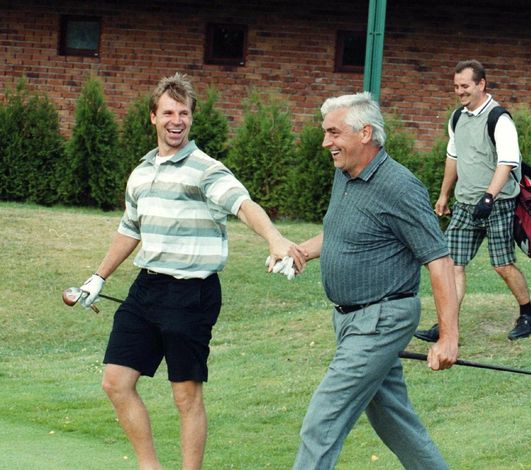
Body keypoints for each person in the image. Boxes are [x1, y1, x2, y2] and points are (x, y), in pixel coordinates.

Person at [77, 73, 302, 470]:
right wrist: (99, 277)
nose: (176, 120)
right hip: (146, 289)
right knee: (115, 381)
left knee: (185, 395)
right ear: (153, 117)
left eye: (183, 113)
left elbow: (241, 203)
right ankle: (151, 466)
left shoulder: (205, 169)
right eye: (168, 112)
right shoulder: (142, 173)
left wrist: (274, 238)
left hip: (192, 294)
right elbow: (130, 230)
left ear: (192, 118)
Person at [289, 92, 460, 469]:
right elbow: (346, 234)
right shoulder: (346, 175)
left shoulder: (399, 186)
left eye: (334, 133)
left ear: (365, 132)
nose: (325, 142)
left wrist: (448, 337)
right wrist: (301, 249)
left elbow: (439, 260)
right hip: (350, 320)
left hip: (380, 321)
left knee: (323, 420)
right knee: (393, 419)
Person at [414, 59, 531, 343]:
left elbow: (507, 162)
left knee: (502, 265)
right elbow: (453, 157)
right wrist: (444, 194)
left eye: (465, 86)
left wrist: (489, 196)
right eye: (456, 86)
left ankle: (529, 314)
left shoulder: (499, 118)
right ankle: (446, 326)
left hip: (497, 204)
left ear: (481, 84)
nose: (460, 91)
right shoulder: (457, 118)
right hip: (464, 204)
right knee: (452, 264)